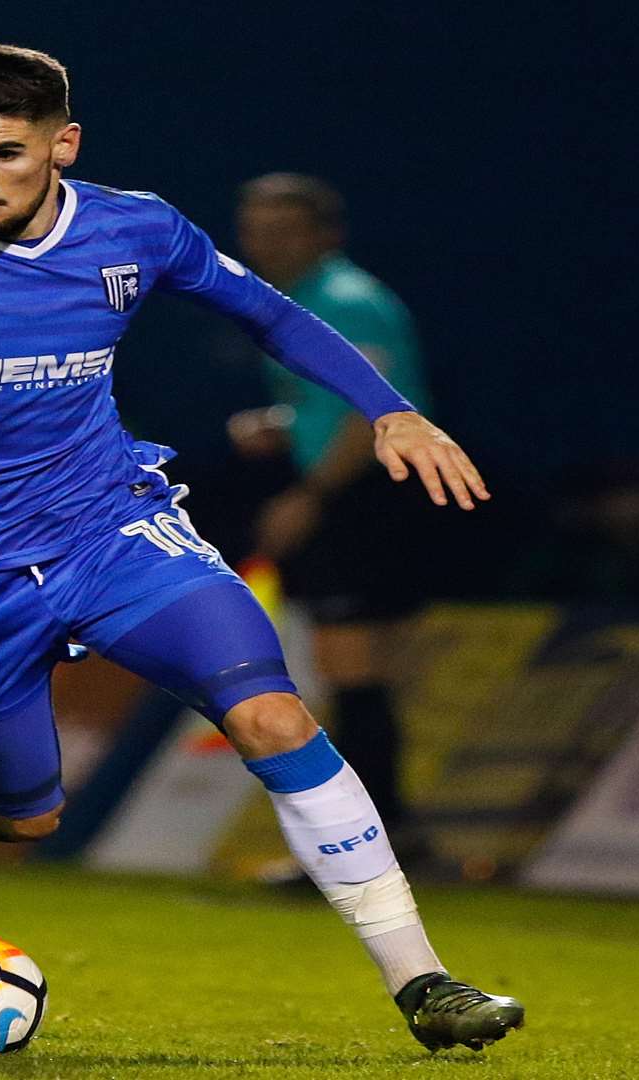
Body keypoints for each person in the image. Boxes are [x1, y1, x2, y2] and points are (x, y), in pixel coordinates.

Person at [0, 45, 518, 1053]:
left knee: (271, 714)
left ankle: (426, 984)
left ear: (64, 144)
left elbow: (268, 311)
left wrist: (390, 410)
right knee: (23, 812)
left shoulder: (135, 228)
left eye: (3, 153)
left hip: (113, 529)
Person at [227, 174, 434, 848]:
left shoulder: (346, 301)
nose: (265, 242)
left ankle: (379, 842)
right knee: (353, 671)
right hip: (348, 492)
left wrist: (309, 498)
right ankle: (384, 838)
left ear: (326, 235)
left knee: (354, 669)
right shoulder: (299, 300)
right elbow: (327, 404)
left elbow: (374, 412)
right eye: (256, 228)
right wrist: (281, 424)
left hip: (361, 497)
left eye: (283, 229)